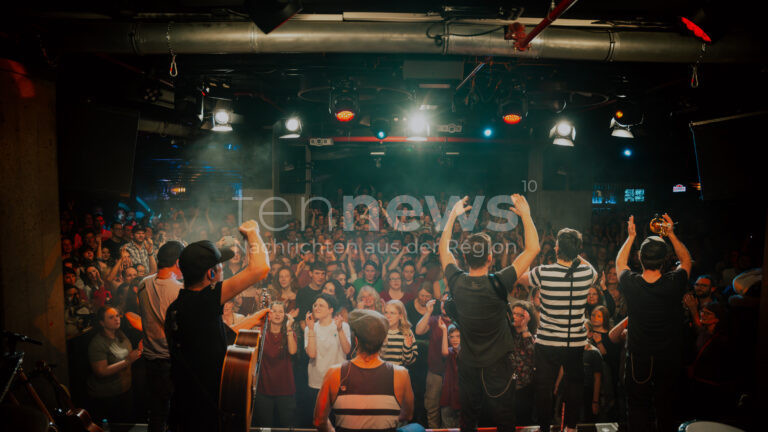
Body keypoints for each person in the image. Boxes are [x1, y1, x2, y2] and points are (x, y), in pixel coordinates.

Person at [440, 195, 540, 432]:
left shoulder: (455, 281)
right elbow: (533, 248)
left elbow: (443, 247)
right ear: (490, 258)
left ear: (464, 258)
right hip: (498, 365)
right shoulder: (500, 282)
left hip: (468, 364)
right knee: (504, 419)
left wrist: (452, 215)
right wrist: (525, 215)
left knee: (468, 422)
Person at [165, 220, 270, 432]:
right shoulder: (204, 300)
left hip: (185, 407)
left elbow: (213, 337)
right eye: (220, 265)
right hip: (203, 414)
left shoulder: (178, 306)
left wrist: (253, 319)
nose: (223, 270)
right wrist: (253, 233)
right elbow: (260, 268)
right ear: (211, 274)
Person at [616, 214, 691, 432]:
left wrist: (631, 237)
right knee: (666, 407)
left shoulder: (631, 283)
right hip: (668, 357)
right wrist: (671, 234)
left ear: (639, 258)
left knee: (638, 406)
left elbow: (620, 262)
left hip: (639, 356)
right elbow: (686, 260)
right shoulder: (674, 282)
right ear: (666, 259)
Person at [521, 227, 596, 432]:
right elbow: (593, 271)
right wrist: (576, 255)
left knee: (544, 387)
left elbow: (519, 276)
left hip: (548, 342)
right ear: (578, 250)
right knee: (574, 384)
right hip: (575, 342)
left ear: (556, 249)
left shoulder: (543, 272)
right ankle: (570, 427)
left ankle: (544, 428)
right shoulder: (588, 272)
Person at [313, 309, 424, 432]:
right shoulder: (401, 374)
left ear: (356, 341)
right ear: (383, 341)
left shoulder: (334, 373)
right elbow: (407, 415)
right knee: (416, 428)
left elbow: (319, 421)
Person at [136, 240, 184, 432]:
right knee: (175, 411)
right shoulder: (179, 290)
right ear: (179, 262)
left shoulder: (143, 283)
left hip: (149, 358)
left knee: (156, 412)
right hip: (170, 360)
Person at [87, 306, 143, 423]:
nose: (117, 319)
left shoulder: (120, 335)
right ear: (102, 323)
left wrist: (139, 350)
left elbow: (129, 355)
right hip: (108, 396)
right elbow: (101, 371)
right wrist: (127, 361)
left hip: (125, 391)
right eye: (111, 317)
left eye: (117, 316)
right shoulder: (98, 343)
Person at [255, 302, 298, 428]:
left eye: (281, 311)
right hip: (264, 389)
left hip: (285, 389)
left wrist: (289, 327)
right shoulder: (261, 333)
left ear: (284, 315)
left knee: (286, 426)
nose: (278, 314)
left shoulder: (289, 333)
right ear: (269, 314)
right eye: (274, 311)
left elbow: (292, 351)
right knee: (265, 427)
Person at [304, 293, 352, 404]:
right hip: (317, 381)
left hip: (338, 380)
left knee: (337, 419)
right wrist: (311, 329)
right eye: (315, 305)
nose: (316, 308)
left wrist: (339, 330)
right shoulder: (310, 328)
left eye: (321, 305)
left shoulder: (343, 326)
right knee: (319, 419)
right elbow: (312, 354)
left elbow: (347, 350)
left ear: (331, 310)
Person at [381, 300, 418, 366]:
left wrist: (407, 348)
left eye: (392, 313)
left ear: (400, 316)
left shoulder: (407, 332)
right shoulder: (379, 331)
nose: (388, 316)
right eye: (386, 312)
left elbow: (410, 361)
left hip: (399, 371)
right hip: (381, 371)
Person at [438, 322, 460, 428]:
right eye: (451, 337)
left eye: (458, 336)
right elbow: (444, 352)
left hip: (462, 397)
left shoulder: (466, 353)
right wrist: (443, 330)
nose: (454, 339)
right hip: (448, 397)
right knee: (447, 426)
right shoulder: (449, 352)